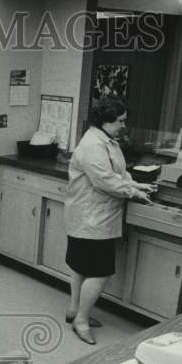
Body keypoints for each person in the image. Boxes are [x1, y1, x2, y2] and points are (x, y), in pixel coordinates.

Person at [64, 97, 155, 345]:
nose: (124, 125)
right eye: (121, 120)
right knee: (101, 272)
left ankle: (74, 310)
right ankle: (81, 320)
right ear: (106, 120)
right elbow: (105, 180)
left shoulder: (107, 140)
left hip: (90, 216)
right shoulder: (94, 145)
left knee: (81, 266)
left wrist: (135, 183)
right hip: (92, 218)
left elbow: (119, 173)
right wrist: (133, 192)